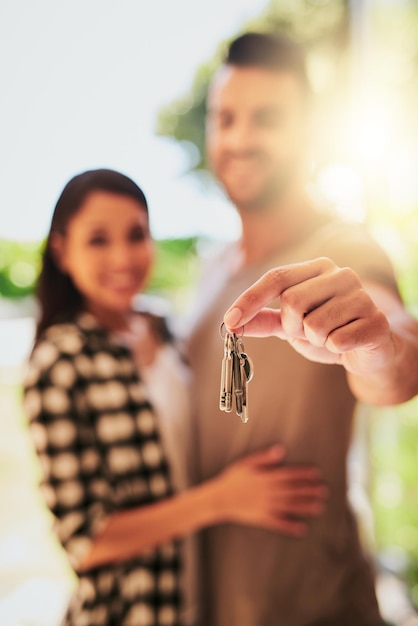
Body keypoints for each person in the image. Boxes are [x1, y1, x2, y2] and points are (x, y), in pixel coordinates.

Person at [22, 168, 328, 626]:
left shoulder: (163, 327)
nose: (123, 256)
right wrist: (221, 499)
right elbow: (85, 541)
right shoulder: (57, 363)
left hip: (201, 600)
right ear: (63, 251)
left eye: (136, 234)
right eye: (98, 240)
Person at [184, 32, 418, 626]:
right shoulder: (212, 270)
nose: (238, 138)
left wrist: (375, 347)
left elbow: (397, 355)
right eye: (225, 117)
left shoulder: (340, 248)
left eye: (266, 119)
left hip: (318, 608)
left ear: (309, 133)